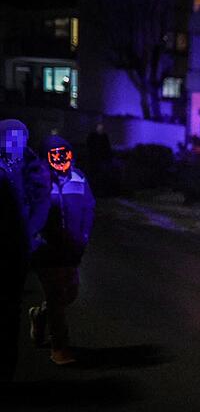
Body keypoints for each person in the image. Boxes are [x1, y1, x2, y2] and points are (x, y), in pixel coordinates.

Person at [28, 135, 95, 365]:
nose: (60, 158)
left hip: (72, 250)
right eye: (54, 154)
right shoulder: (38, 181)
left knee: (70, 293)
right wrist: (35, 236)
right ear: (46, 156)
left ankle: (40, 315)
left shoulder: (79, 178)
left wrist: (84, 236)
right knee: (56, 296)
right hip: (46, 251)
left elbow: (89, 207)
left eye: (64, 153)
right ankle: (59, 347)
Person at [0, 119, 50, 381]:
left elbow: (41, 203)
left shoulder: (32, 169)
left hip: (17, 246)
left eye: (20, 137)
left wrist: (28, 233)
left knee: (11, 308)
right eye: (9, 137)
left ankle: (7, 368)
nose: (14, 142)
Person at [86, 122, 113, 196]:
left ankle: (101, 191)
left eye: (101, 128)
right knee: (95, 176)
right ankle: (96, 191)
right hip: (94, 160)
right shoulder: (93, 136)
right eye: (99, 127)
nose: (100, 129)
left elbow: (107, 148)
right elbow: (90, 147)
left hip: (101, 160)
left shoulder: (104, 136)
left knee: (101, 176)